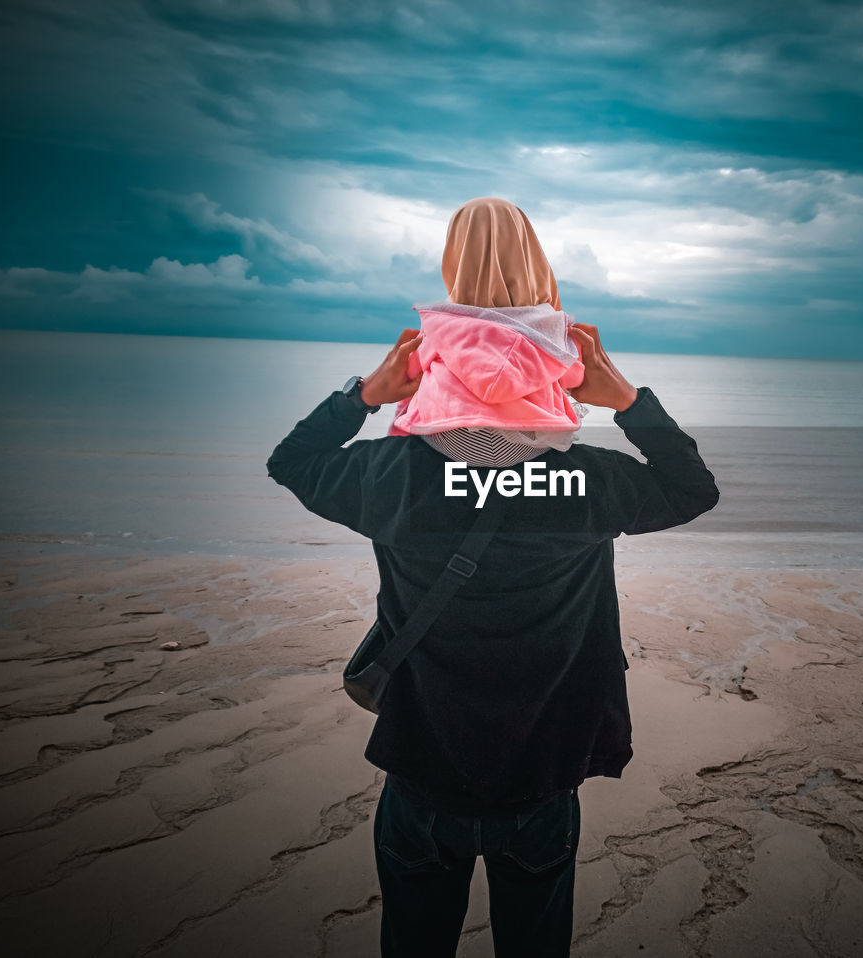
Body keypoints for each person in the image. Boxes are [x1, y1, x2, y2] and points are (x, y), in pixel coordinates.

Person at [266, 197, 718, 957]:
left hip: (422, 770)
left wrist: (367, 396)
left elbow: (293, 463)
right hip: (540, 774)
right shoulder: (588, 481)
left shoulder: (394, 476)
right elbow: (691, 490)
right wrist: (628, 401)